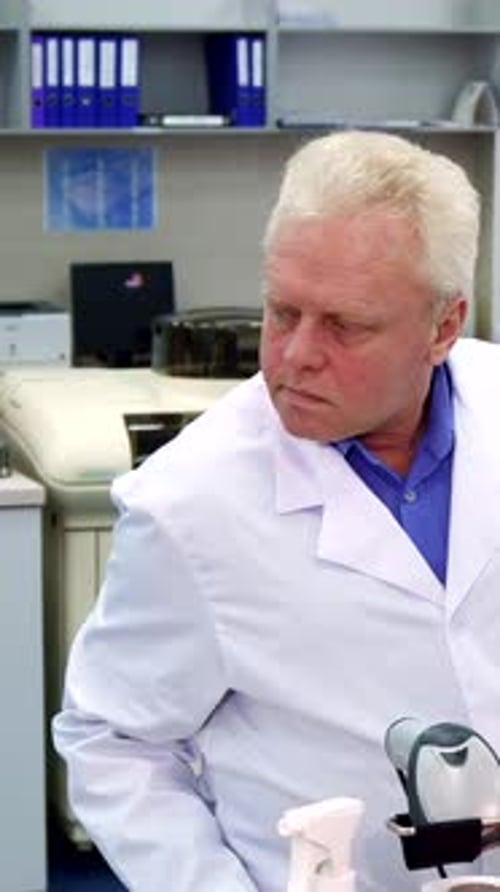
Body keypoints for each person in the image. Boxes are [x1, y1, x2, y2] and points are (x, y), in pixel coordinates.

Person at [53, 130, 500, 891]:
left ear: (444, 326)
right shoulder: (189, 502)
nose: (295, 356)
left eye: (345, 326)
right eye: (282, 311)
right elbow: (113, 741)